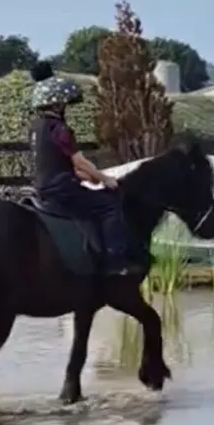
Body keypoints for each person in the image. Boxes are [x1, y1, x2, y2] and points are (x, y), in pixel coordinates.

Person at [28, 61, 131, 274]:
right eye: (65, 103)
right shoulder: (60, 128)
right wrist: (105, 179)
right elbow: (79, 160)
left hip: (42, 187)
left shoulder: (36, 127)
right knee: (109, 205)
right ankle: (115, 261)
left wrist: (84, 177)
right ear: (57, 104)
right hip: (62, 191)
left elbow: (53, 162)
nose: (66, 107)